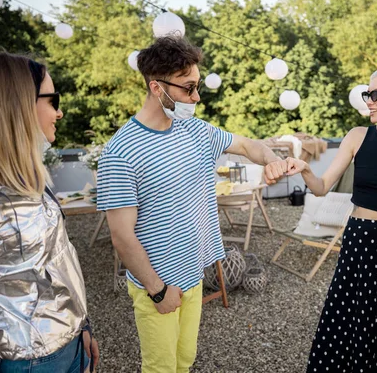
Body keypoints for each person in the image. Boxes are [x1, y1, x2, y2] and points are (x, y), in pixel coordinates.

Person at [96, 36, 287, 373]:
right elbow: (121, 237)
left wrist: (271, 159)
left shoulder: (195, 130)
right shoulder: (120, 152)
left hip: (193, 276)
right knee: (161, 369)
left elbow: (247, 145)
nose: (196, 96)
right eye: (188, 88)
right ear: (157, 87)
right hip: (157, 285)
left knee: (184, 361)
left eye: (198, 86)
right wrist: (158, 291)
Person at [272, 64, 377, 372]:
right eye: (368, 93)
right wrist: (306, 169)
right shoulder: (358, 136)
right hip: (359, 242)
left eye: (376, 94)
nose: (369, 101)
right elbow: (322, 188)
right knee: (347, 323)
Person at [0, 51, 99, 373]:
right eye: (53, 101)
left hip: (66, 343)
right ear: (15, 106)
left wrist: (81, 326)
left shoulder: (26, 180)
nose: (60, 112)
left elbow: (57, 261)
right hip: (25, 360)